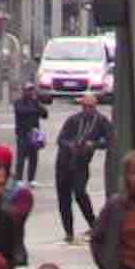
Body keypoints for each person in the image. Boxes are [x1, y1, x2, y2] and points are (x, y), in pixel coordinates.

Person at [56, 94, 112, 244]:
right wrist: (71, 145)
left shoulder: (101, 121)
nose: (87, 110)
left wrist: (93, 144)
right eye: (85, 106)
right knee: (64, 198)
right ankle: (69, 232)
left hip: (81, 164)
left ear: (95, 106)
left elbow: (110, 139)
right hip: (64, 162)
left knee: (80, 192)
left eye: (91, 107)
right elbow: (61, 139)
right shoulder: (73, 120)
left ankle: (94, 225)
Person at [12, 83, 49, 185]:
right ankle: (18, 179)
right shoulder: (18, 102)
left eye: (32, 90)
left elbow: (45, 114)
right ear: (23, 91)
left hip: (34, 134)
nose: (30, 92)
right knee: (21, 157)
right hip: (22, 133)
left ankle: (31, 179)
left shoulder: (35, 102)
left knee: (33, 157)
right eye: (28, 90)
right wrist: (35, 110)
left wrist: (38, 105)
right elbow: (21, 112)